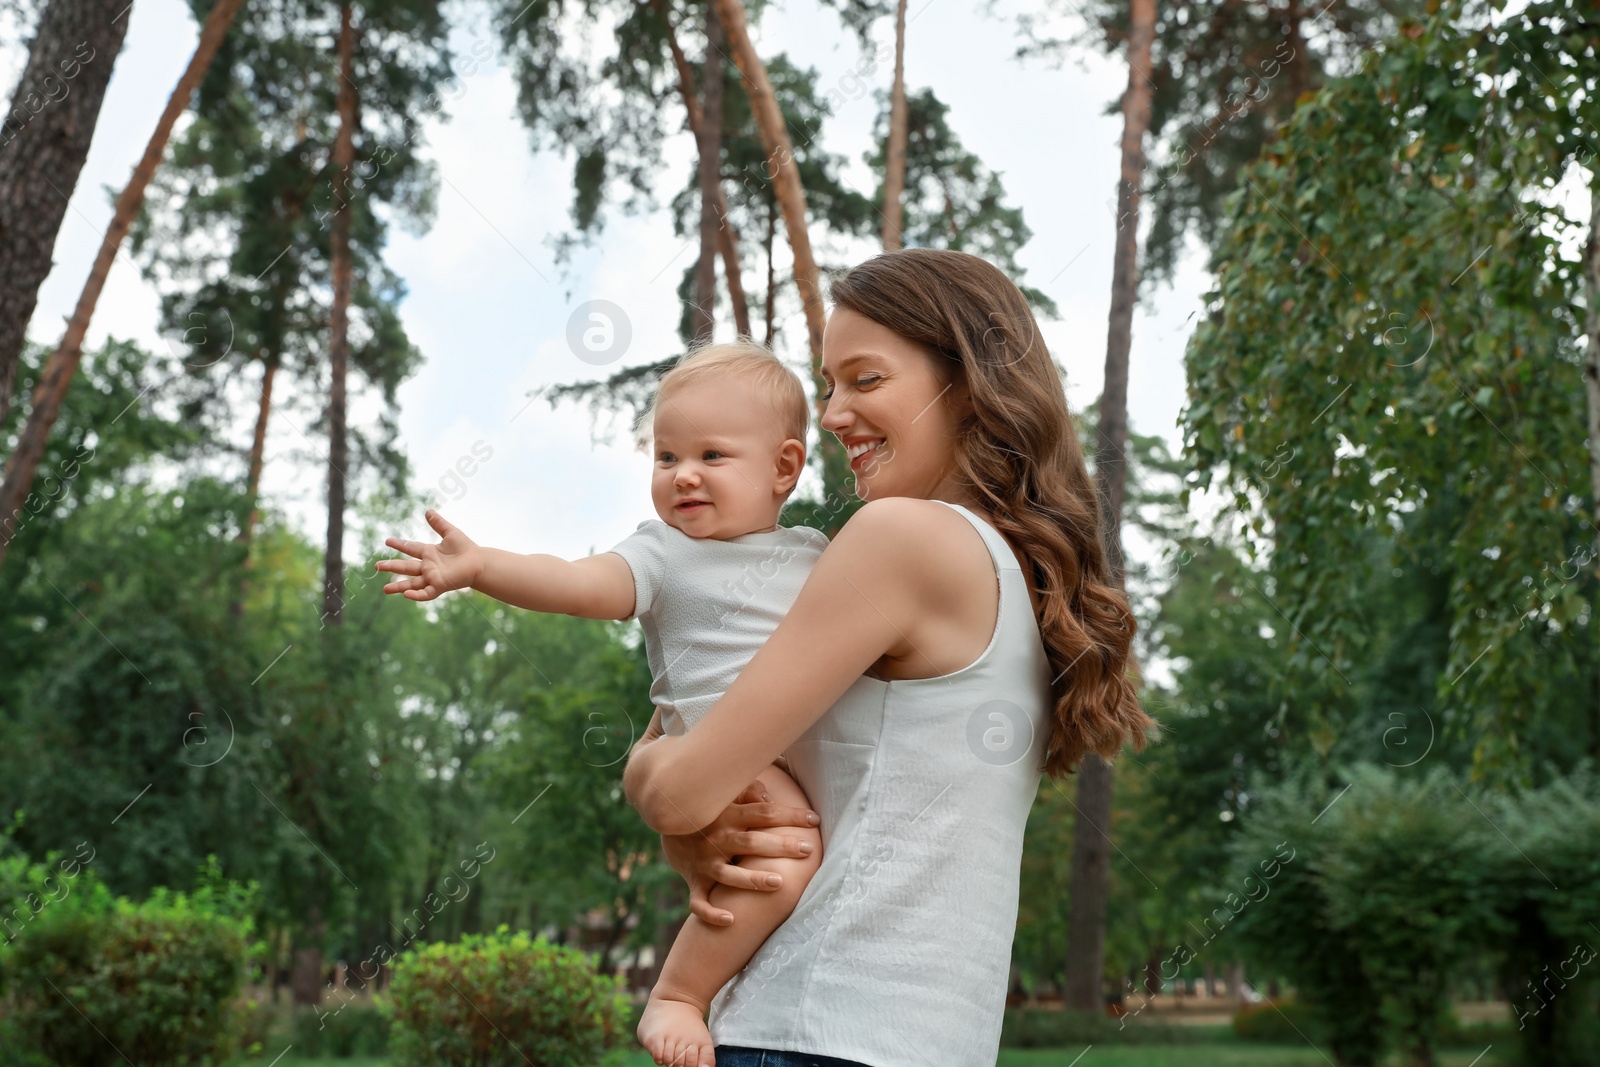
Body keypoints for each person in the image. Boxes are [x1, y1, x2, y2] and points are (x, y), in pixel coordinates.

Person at [624, 247, 1154, 1067]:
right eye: (830, 384)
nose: (834, 414)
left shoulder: (901, 539)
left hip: (808, 1026)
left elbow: (685, 780)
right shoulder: (1017, 577)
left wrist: (650, 788)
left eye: (866, 380)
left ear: (969, 383)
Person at [374, 342, 834, 1067]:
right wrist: (480, 566)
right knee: (792, 851)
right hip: (728, 761)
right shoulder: (661, 554)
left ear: (783, 467)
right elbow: (577, 581)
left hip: (805, 758)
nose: (683, 472)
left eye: (713, 455)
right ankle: (678, 993)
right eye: (665, 456)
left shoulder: (814, 551)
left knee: (789, 856)